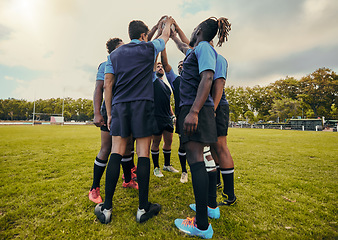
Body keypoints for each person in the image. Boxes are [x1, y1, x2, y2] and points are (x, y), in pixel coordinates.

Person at [94, 17, 174, 224]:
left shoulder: (114, 54)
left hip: (120, 106)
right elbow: (164, 38)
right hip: (143, 104)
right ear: (143, 35)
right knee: (143, 153)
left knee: (116, 152)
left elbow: (108, 85)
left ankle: (107, 208)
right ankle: (142, 208)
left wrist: (109, 113)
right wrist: (167, 24)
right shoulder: (148, 47)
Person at [171, 17, 231, 239]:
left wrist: (194, 111)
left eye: (193, 28)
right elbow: (183, 46)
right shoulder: (197, 50)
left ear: (198, 31)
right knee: (205, 159)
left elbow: (208, 77)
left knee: (196, 160)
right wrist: (174, 32)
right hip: (197, 109)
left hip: (196, 109)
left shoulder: (204, 48)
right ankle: (211, 208)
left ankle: (202, 226)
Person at [89, 38, 138, 205]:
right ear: (112, 52)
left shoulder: (128, 64)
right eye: (120, 48)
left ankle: (128, 179)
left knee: (127, 147)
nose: (125, 50)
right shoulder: (106, 65)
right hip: (109, 111)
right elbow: (99, 89)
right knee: (107, 148)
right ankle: (94, 188)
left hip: (125, 110)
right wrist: (97, 113)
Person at [209, 49, 237, 206]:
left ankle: (230, 195)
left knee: (221, 146)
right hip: (212, 106)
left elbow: (219, 84)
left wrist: (213, 108)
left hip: (217, 106)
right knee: (213, 146)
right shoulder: (203, 54)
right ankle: (217, 182)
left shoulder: (218, 59)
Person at [160, 47, 188, 183]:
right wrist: (163, 45)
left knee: (201, 147)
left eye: (183, 64)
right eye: (179, 66)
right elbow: (165, 64)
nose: (181, 67)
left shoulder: (198, 78)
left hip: (199, 115)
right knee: (182, 145)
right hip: (182, 116)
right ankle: (184, 171)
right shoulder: (175, 80)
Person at [151, 61, 179, 178]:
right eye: (158, 66)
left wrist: (173, 116)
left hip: (167, 118)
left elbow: (168, 104)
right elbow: (152, 64)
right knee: (156, 142)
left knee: (168, 142)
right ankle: (156, 168)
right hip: (156, 117)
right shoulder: (152, 80)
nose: (160, 68)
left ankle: (167, 165)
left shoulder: (167, 86)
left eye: (162, 66)